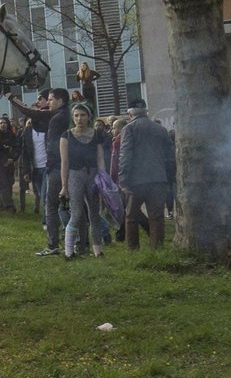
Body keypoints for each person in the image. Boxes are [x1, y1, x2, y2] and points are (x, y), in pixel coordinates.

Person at [118, 98, 175, 250]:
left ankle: (133, 249)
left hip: (135, 181)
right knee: (156, 218)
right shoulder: (161, 129)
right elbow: (170, 156)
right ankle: (157, 249)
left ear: (130, 113)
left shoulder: (129, 129)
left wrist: (123, 180)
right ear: (146, 112)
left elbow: (125, 156)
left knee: (131, 217)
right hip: (158, 179)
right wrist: (169, 177)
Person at [59, 103, 107, 258]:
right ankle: (68, 251)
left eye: (82, 115)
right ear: (73, 118)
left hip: (92, 175)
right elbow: (64, 162)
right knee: (77, 213)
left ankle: (97, 250)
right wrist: (64, 186)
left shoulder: (96, 134)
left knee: (95, 214)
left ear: (89, 117)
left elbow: (100, 158)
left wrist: (103, 179)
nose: (79, 118)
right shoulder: (66, 135)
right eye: (76, 115)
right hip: (75, 175)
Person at [35, 88, 71, 256]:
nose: (48, 103)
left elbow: (53, 146)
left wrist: (50, 164)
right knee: (75, 205)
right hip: (72, 166)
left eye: (50, 100)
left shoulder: (57, 119)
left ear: (60, 101)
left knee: (51, 205)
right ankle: (79, 241)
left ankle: (52, 244)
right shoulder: (70, 115)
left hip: (56, 167)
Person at [0, 117, 20, 212]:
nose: (3, 125)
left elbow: (17, 148)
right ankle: (10, 206)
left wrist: (12, 158)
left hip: (10, 163)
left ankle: (2, 206)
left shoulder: (11, 135)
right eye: (1, 123)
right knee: (3, 184)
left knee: (9, 183)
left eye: (4, 123)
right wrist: (3, 160)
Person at [19, 118, 47, 216]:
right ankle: (49, 218)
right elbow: (25, 152)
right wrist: (26, 171)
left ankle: (47, 221)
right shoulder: (28, 131)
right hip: (35, 168)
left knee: (45, 195)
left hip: (47, 167)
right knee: (40, 194)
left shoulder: (47, 129)